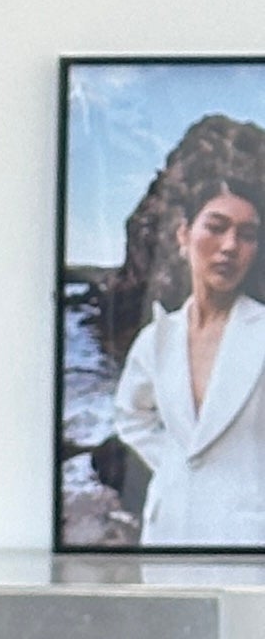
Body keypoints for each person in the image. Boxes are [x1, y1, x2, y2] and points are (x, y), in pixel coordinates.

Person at [111, 173, 265, 545]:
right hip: (169, 531)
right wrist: (173, 464)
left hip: (247, 536)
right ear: (184, 235)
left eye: (247, 235)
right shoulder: (157, 338)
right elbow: (130, 415)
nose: (230, 246)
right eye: (216, 227)